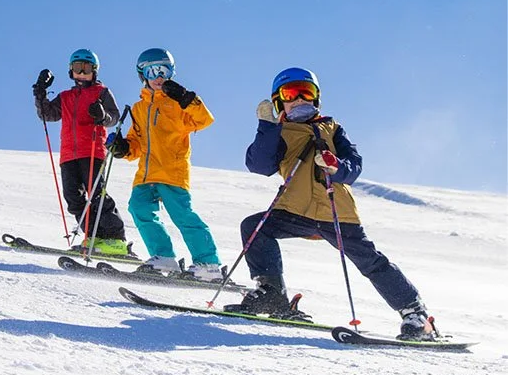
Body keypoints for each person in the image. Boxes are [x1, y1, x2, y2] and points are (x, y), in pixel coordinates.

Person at [228, 67, 432, 339]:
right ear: (280, 101)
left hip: (335, 212)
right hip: (294, 211)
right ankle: (272, 294)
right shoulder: (279, 131)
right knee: (255, 227)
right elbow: (259, 165)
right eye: (291, 93)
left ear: (316, 98)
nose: (300, 99)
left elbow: (354, 166)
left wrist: (337, 166)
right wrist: (267, 127)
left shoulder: (332, 129)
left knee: (369, 261)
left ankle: (415, 313)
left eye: (306, 92)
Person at [107, 48, 222, 280]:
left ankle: (208, 264)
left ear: (171, 72)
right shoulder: (139, 109)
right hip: (146, 175)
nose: (158, 76)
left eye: (164, 70)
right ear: (143, 75)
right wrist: (122, 148)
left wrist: (187, 99)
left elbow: (204, 120)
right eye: (152, 71)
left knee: (183, 216)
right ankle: (164, 258)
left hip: (172, 172)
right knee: (139, 209)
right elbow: (136, 144)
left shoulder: (178, 103)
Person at [33, 49, 129, 256]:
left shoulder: (101, 92)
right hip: (68, 155)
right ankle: (93, 238)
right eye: (77, 68)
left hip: (92, 151)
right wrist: (40, 92)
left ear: (94, 71)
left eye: (86, 68)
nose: (82, 73)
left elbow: (113, 117)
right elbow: (48, 115)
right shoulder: (66, 96)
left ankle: (115, 239)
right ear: (71, 71)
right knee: (73, 198)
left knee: (96, 194)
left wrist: (102, 115)